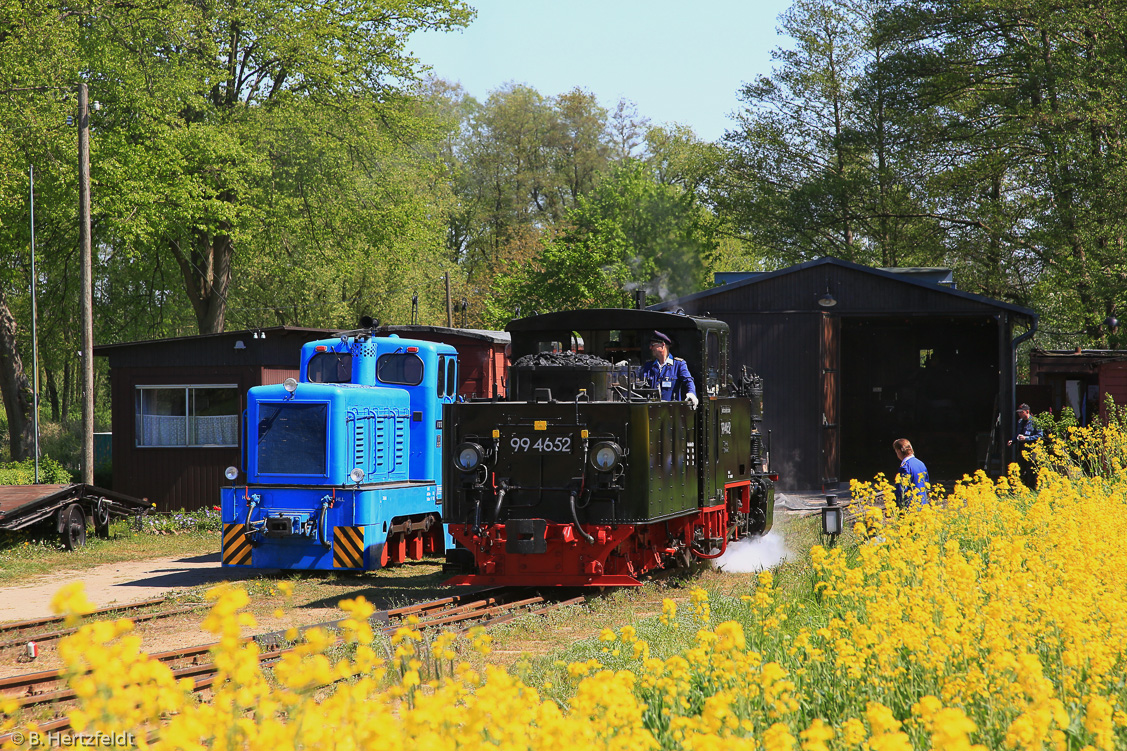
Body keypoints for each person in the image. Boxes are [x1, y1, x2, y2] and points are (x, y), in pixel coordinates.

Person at [641, 331, 698, 407]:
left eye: (652, 345)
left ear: (662, 345)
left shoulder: (678, 364)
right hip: (652, 411)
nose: (650, 348)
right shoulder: (648, 366)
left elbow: (688, 381)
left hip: (672, 412)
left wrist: (691, 394)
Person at [1008, 403, 1043, 483]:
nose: (1019, 414)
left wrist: (1027, 438)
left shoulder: (1035, 422)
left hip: (1032, 450)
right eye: (1018, 412)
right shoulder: (1020, 422)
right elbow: (1018, 434)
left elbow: (1040, 435)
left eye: (1021, 412)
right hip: (1022, 449)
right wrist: (1013, 440)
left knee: (1031, 470)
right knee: (1019, 469)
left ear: (1027, 411)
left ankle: (1031, 488)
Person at [893, 438, 929, 509]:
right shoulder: (921, 464)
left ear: (899, 451)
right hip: (923, 508)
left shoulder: (905, 467)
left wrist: (896, 507)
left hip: (910, 508)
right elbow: (926, 484)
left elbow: (902, 490)